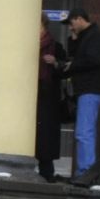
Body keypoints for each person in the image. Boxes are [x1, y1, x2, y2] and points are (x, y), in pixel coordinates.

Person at [59, 7, 100, 184]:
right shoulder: (86, 37)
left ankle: (86, 172)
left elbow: (92, 60)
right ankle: (85, 171)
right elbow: (74, 58)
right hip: (87, 90)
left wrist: (72, 66)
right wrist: (73, 40)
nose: (70, 28)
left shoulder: (96, 36)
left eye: (71, 24)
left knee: (84, 132)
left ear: (79, 19)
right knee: (84, 132)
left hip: (91, 89)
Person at [36, 16, 64, 183]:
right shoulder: (23, 45)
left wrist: (55, 63)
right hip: (26, 95)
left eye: (40, 26)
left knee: (45, 135)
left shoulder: (56, 47)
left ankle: (47, 171)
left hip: (48, 96)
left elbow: (65, 69)